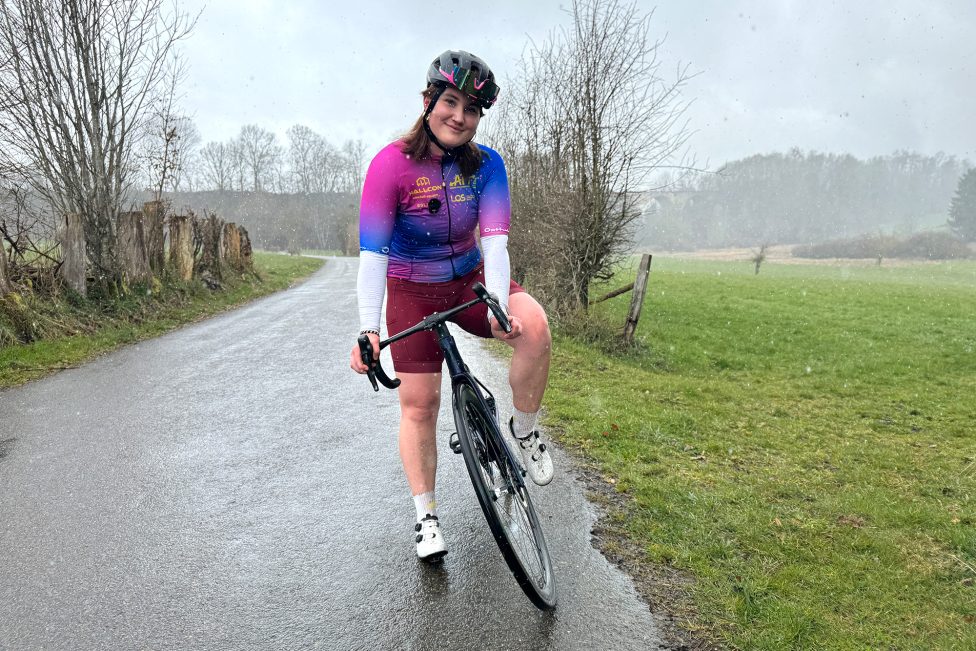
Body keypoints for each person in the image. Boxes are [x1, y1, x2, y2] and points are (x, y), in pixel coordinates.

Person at [349, 50, 554, 561]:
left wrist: (499, 308)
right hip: (412, 292)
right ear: (428, 101)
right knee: (420, 405)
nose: (460, 117)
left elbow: (496, 244)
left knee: (535, 328)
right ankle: (426, 515)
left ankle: (524, 432)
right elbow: (372, 256)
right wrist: (367, 331)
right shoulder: (389, 165)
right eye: (451, 102)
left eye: (473, 109)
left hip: (471, 281)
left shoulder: (487, 167)